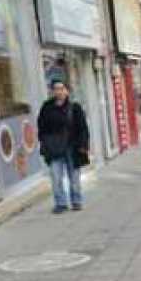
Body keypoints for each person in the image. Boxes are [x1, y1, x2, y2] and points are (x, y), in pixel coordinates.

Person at [37, 80, 89, 214]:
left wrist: (83, 145)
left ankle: (76, 201)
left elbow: (83, 128)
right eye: (56, 89)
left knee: (74, 176)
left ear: (67, 91)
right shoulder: (47, 107)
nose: (58, 92)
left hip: (72, 147)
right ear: (52, 91)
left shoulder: (75, 107)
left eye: (61, 88)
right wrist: (44, 142)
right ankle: (61, 203)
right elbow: (41, 127)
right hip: (54, 149)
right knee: (56, 176)